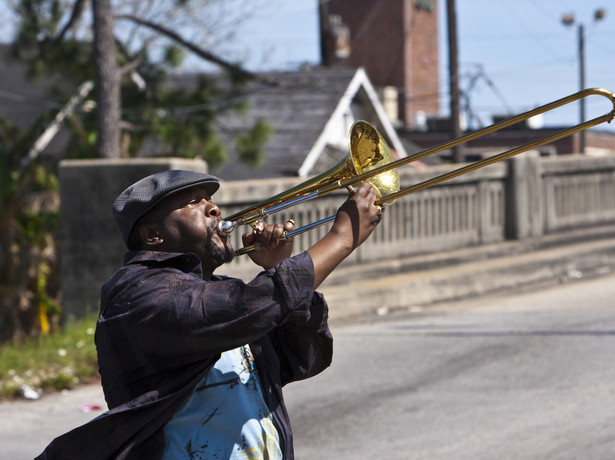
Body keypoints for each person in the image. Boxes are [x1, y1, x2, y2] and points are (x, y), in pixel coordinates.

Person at [37, 169, 384, 459]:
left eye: (210, 200)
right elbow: (246, 306)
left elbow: (304, 358)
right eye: (194, 203)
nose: (214, 208)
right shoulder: (136, 293)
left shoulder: (220, 292)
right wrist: (341, 239)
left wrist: (280, 269)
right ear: (153, 235)